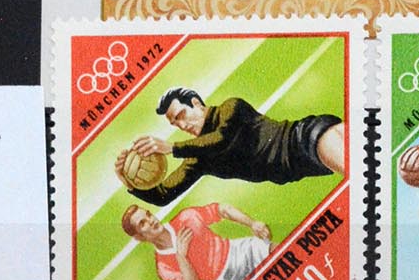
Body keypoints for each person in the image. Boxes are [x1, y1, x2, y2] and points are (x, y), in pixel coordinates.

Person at [115, 81, 344, 204]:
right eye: (175, 124)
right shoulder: (197, 157)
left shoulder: (230, 107)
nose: (182, 126)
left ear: (196, 103)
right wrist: (127, 179)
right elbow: (164, 194)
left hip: (306, 138)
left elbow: (221, 140)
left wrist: (172, 148)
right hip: (304, 166)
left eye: (181, 115)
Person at [118, 199, 272, 280]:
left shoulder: (186, 217)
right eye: (143, 223)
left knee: (279, 253)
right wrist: (181, 257)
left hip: (242, 250)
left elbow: (223, 209)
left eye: (148, 214)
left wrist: (252, 223)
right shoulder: (163, 268)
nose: (151, 221)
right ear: (139, 237)